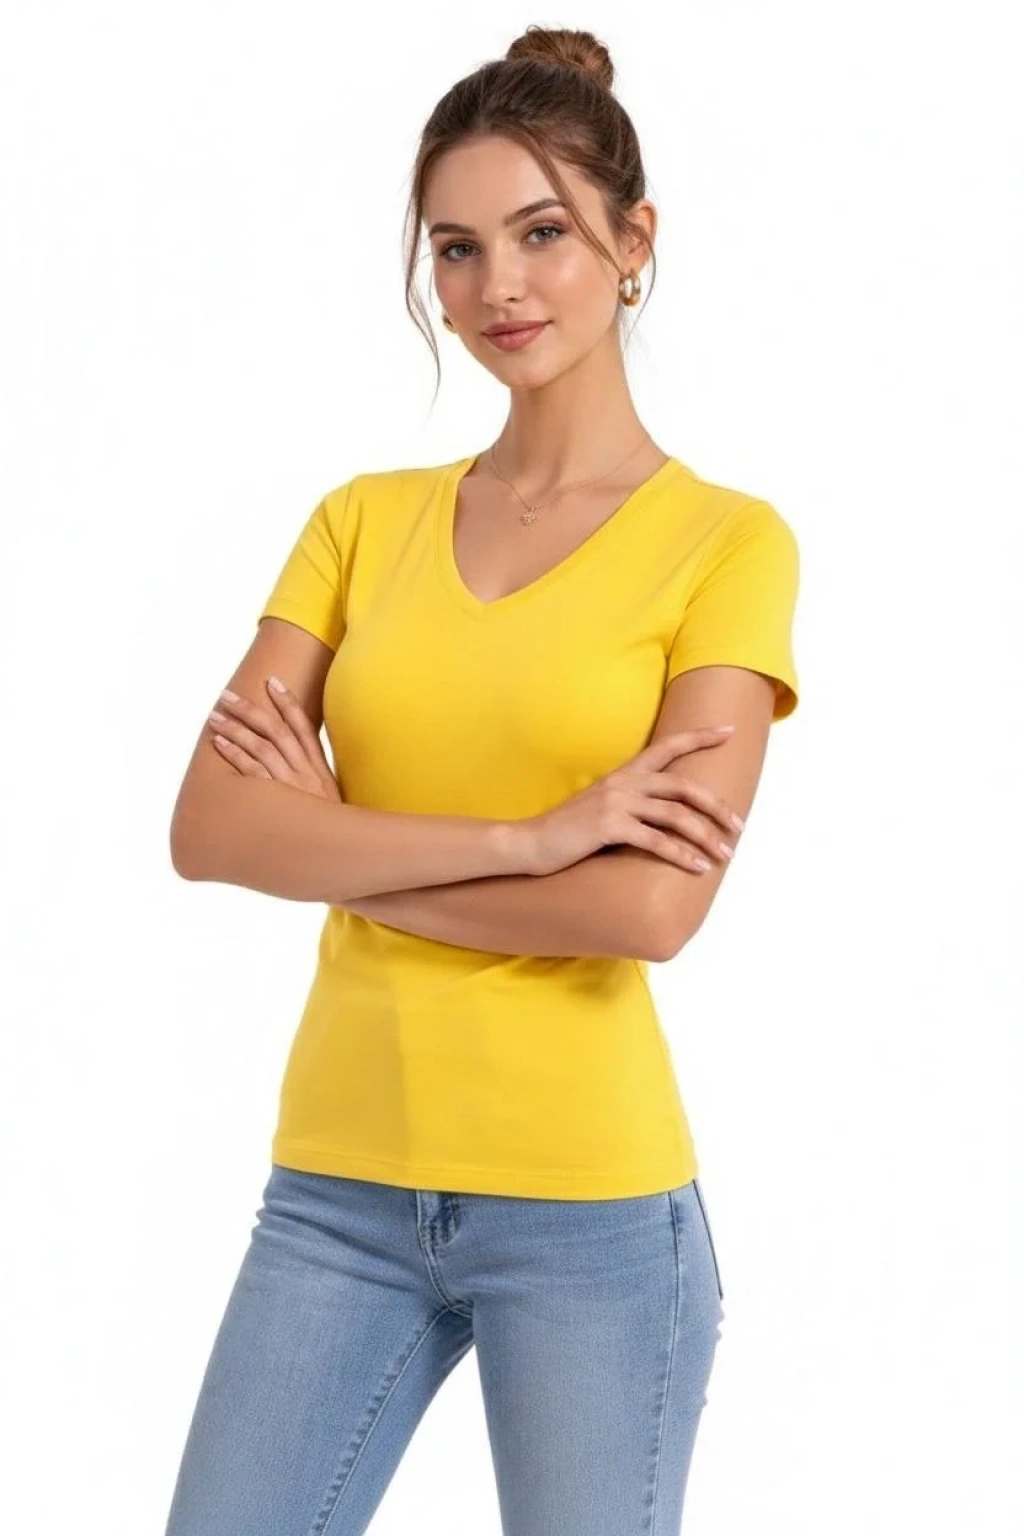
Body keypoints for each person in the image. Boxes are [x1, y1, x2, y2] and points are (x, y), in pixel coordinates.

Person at [162, 24, 800, 1536]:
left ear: (633, 244)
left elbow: (649, 910)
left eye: (541, 234)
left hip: (588, 1213)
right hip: (336, 1188)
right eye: (456, 249)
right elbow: (211, 827)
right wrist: (532, 839)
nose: (498, 286)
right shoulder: (361, 522)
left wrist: (338, 845)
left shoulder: (728, 544)